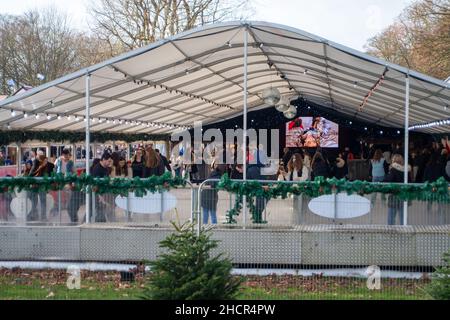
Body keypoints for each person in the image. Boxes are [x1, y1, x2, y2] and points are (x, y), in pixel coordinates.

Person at [384, 154, 411, 225]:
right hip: (404, 195)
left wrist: (384, 180)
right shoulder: (406, 170)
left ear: (394, 161)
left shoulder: (393, 170)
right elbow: (410, 181)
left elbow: (389, 180)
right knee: (403, 217)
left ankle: (390, 232)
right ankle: (404, 231)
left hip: (394, 196)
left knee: (391, 217)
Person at [91, 153, 113, 222]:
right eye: (109, 161)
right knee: (97, 211)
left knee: (99, 211)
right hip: (96, 194)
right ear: (103, 159)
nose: (110, 163)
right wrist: (99, 196)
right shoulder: (97, 169)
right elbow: (95, 184)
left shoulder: (106, 168)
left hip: (102, 194)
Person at [28, 150, 49, 221]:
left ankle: (38, 216)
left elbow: (47, 173)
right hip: (36, 185)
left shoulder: (43, 162)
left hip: (40, 185)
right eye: (40, 156)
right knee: (35, 202)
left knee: (39, 201)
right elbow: (31, 173)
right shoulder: (36, 162)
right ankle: (34, 216)